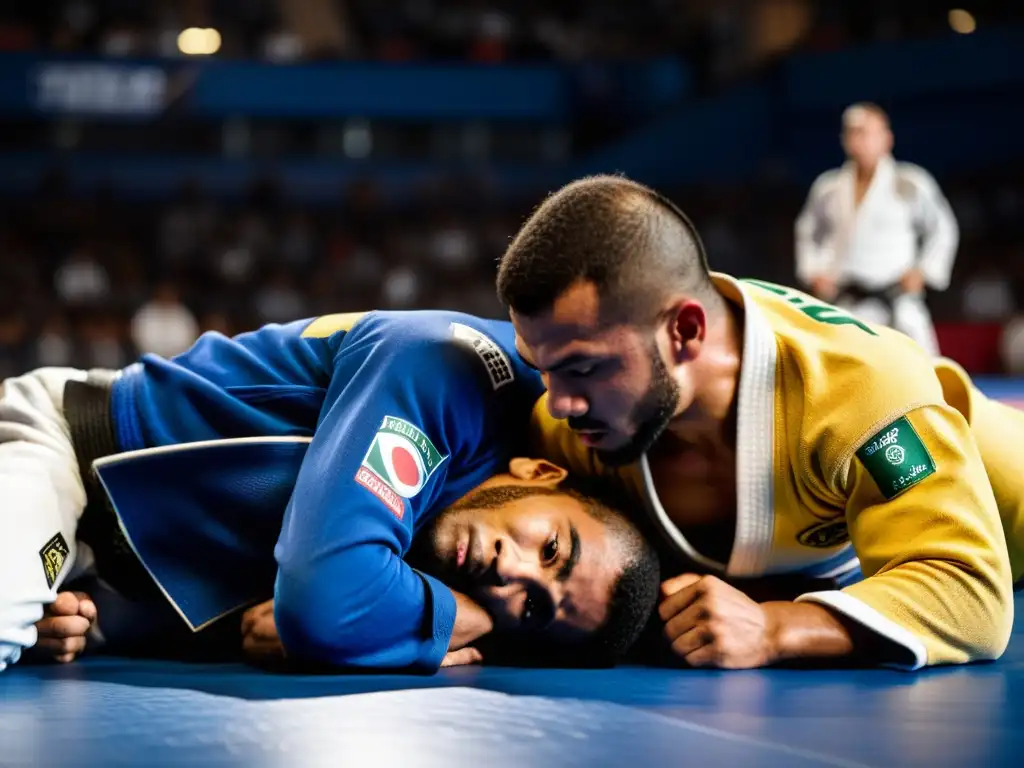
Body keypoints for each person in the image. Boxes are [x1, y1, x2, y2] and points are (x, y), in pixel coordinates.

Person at [496, 175, 1021, 671]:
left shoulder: (860, 394)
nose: (559, 403)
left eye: (584, 368)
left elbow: (970, 592)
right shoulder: (568, 427)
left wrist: (775, 627)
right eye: (541, 368)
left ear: (684, 331)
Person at [0, 309, 660, 673]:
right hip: (69, 445)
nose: (511, 572)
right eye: (551, 549)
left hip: (111, 584)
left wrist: (79, 620)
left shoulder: (425, 550)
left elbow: (273, 620)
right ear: (541, 473)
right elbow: (322, 599)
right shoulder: (448, 367)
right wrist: (467, 620)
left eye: (534, 609)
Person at [795, 103, 959, 355]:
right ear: (844, 140)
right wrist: (813, 271)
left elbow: (943, 228)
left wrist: (924, 271)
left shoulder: (910, 182)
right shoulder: (828, 187)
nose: (859, 139)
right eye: (853, 132)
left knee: (923, 375)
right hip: (846, 300)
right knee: (845, 376)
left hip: (898, 299)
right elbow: (807, 231)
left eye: (866, 132)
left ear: (887, 138)